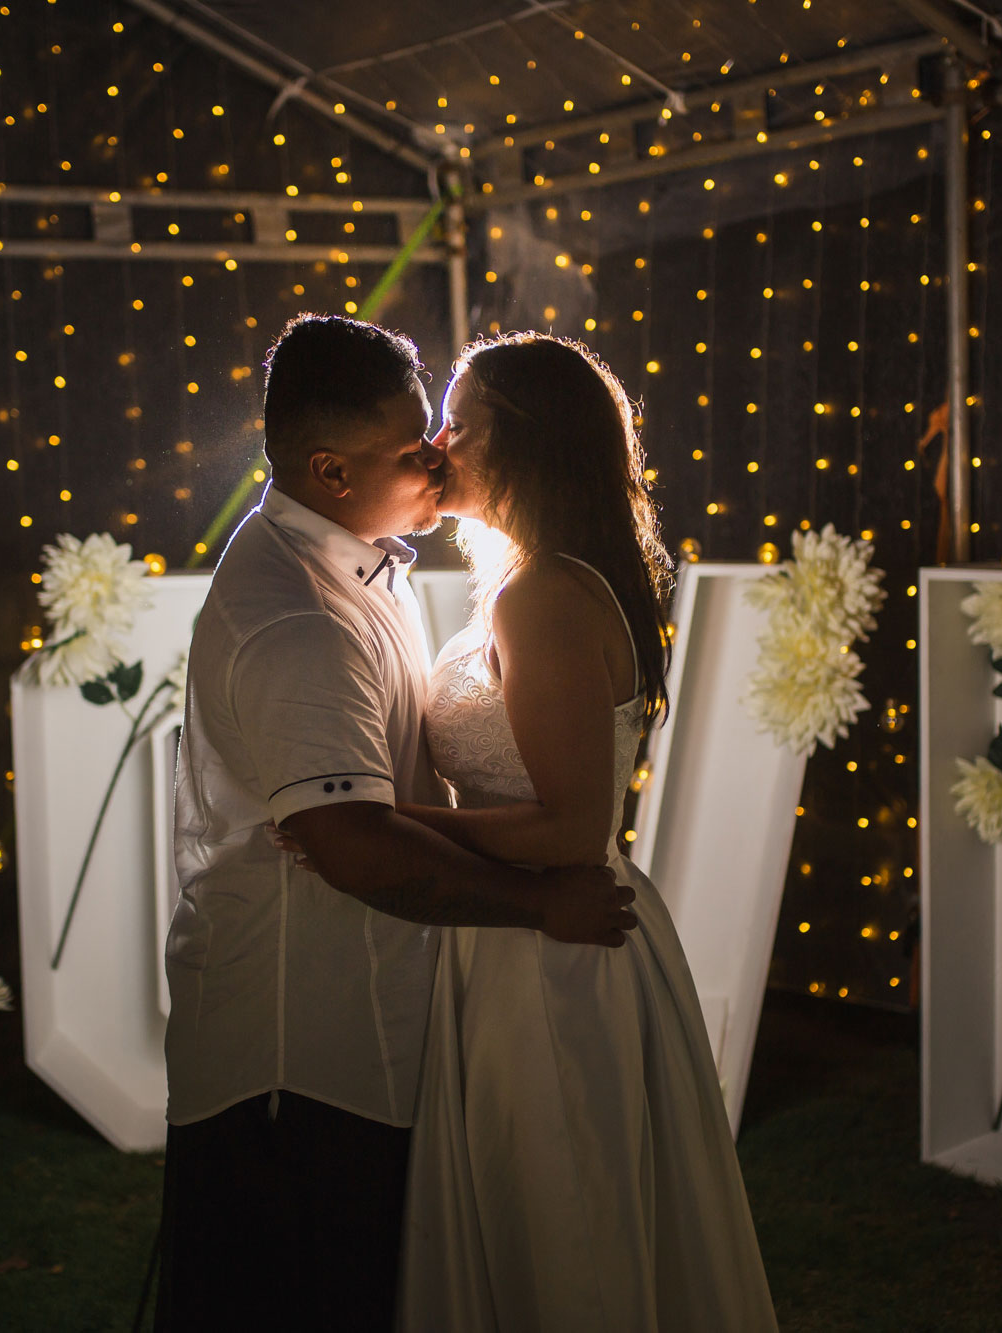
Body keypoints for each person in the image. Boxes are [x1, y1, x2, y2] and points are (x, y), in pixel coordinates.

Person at [156, 315, 637, 1332]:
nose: (435, 457)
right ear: (331, 473)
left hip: (385, 1016)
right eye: (411, 446)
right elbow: (348, 844)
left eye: (441, 431)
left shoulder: (363, 561)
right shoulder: (300, 617)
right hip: (302, 1054)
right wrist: (536, 902)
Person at [393, 333, 780, 1330]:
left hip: (549, 956)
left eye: (459, 424)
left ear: (523, 445)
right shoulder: (527, 582)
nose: (436, 442)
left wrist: (387, 822)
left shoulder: (545, 597)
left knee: (564, 1227)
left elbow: (568, 829)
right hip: (514, 942)